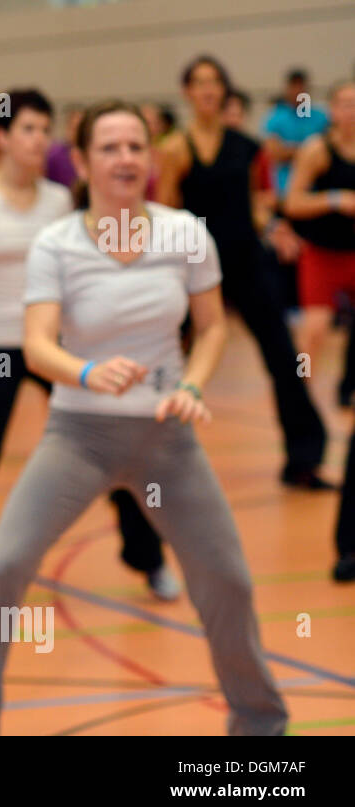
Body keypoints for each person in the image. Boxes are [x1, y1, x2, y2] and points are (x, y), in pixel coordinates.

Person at [0, 99, 288, 737]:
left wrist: (193, 385)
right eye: (109, 147)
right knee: (1, 570)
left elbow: (215, 326)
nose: (125, 159)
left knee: (228, 580)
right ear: (82, 161)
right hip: (79, 435)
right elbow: (37, 343)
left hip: (166, 437)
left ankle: (260, 727)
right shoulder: (56, 243)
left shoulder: (185, 233)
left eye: (136, 146)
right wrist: (87, 372)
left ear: (151, 156)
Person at [157, 55, 330, 489]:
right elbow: (164, 212)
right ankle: (151, 463)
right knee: (164, 360)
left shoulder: (247, 146)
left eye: (215, 82)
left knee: (283, 359)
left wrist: (275, 228)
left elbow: (255, 203)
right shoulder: (174, 149)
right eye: (199, 83)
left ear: (224, 91)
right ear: (187, 93)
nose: (208, 90)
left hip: (245, 262)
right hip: (193, 268)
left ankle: (304, 459)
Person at [284, 80, 355, 582]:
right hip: (322, 258)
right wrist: (335, 199)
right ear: (332, 109)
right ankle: (306, 441)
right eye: (345, 102)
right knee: (310, 340)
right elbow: (293, 204)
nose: (351, 109)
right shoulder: (316, 149)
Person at [264, 68, 331, 196]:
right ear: (287, 89)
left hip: (318, 188)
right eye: (294, 86)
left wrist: (291, 151)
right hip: (284, 188)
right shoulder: (275, 117)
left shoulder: (321, 116)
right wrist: (310, 153)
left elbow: (331, 151)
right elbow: (274, 153)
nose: (298, 91)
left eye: (301, 86)